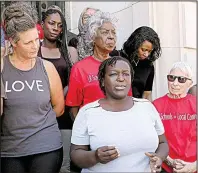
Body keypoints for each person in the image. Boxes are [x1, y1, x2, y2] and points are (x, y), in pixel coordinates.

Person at [70, 56, 169, 172]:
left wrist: (159, 157)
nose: (121, 78)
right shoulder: (88, 112)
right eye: (113, 74)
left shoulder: (147, 107)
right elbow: (75, 154)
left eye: (126, 74)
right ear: (102, 80)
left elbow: (163, 143)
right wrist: (95, 156)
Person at [1, 3, 64, 173]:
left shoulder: (47, 68)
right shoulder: (2, 68)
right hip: (10, 148)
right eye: (28, 42)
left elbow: (59, 108)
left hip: (45, 144)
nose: (35, 46)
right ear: (13, 42)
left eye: (37, 39)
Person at [66, 11, 132, 119]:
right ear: (93, 37)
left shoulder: (122, 65)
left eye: (113, 33)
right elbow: (74, 108)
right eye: (105, 32)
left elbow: (128, 101)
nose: (111, 37)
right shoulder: (80, 68)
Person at [38, 5, 74, 173]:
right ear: (42, 24)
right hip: (40, 113)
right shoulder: (34, 50)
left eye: (60, 26)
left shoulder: (68, 51)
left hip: (64, 114)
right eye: (52, 23)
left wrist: (59, 97)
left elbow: (72, 82)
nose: (56, 28)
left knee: (64, 165)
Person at [153, 62, 196, 173]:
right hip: (164, 166)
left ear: (190, 83)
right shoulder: (155, 106)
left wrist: (194, 166)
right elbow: (151, 138)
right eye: (171, 78)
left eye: (181, 79)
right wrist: (168, 160)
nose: (175, 83)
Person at [110, 26, 162, 101]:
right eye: (143, 50)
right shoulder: (114, 56)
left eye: (149, 51)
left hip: (137, 108)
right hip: (114, 107)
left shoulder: (148, 65)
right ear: (134, 44)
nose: (146, 54)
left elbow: (147, 95)